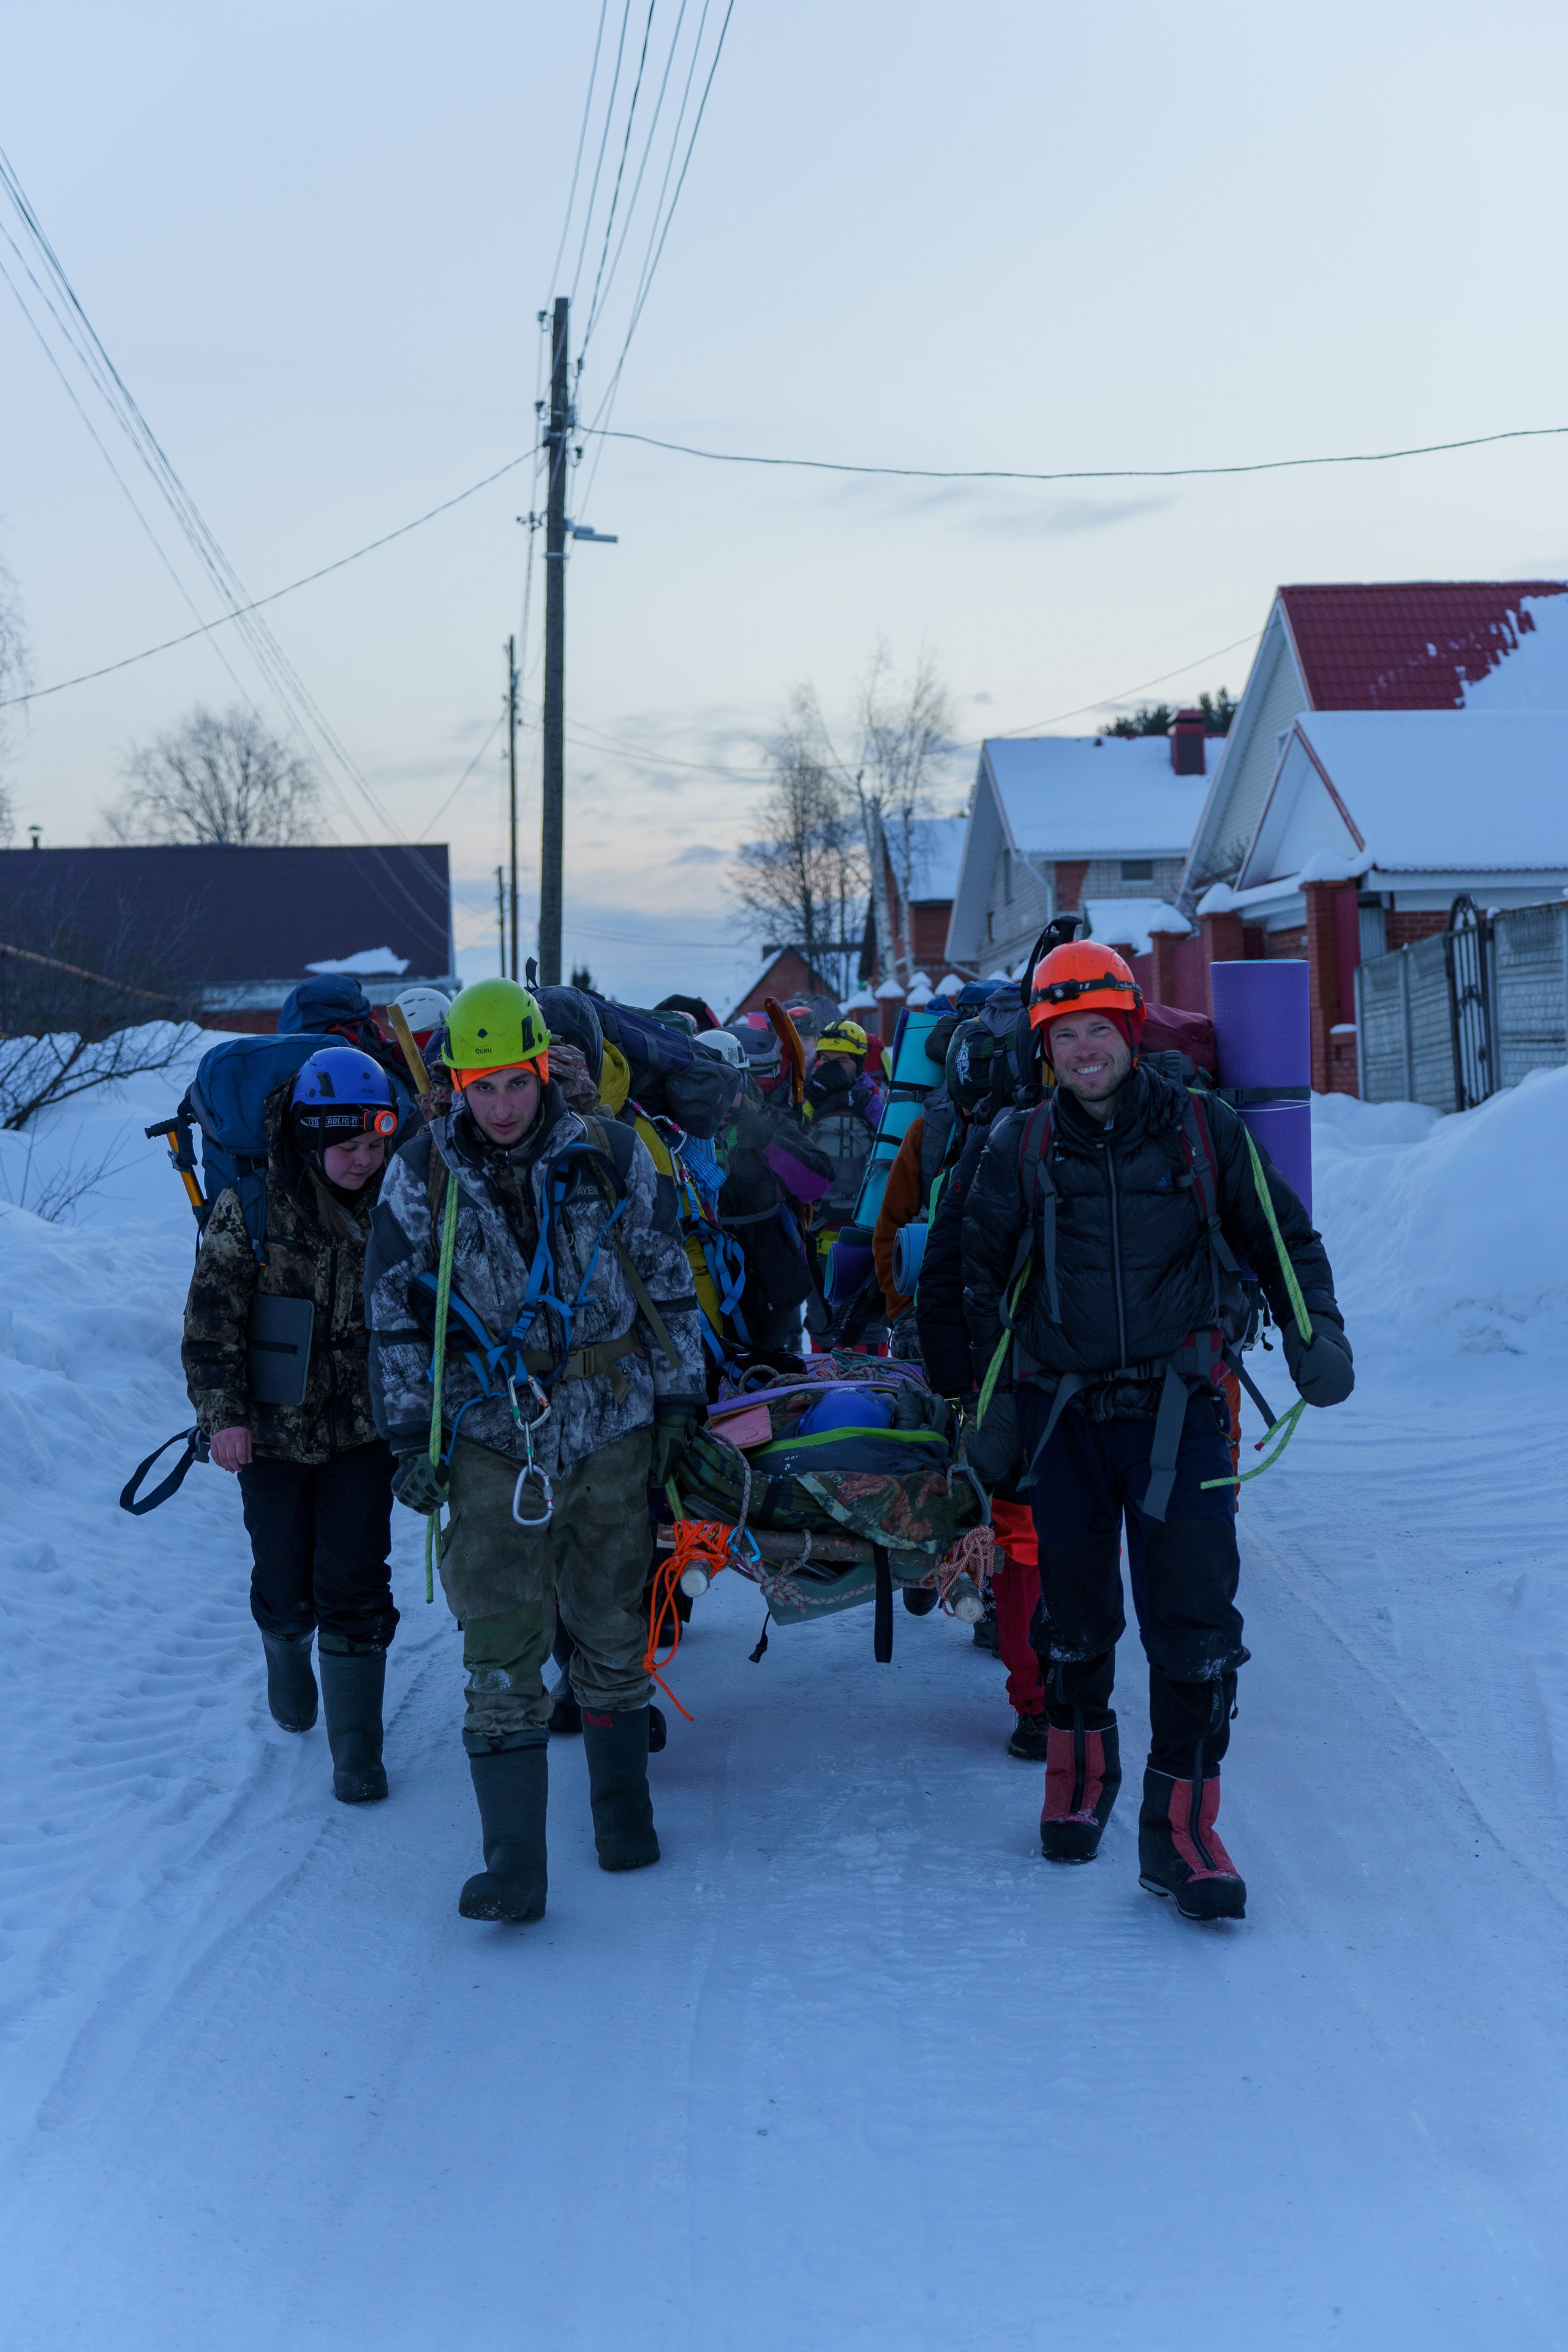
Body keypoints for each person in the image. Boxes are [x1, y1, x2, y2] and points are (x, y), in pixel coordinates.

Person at [960, 942, 1353, 1920]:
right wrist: (986, 1409)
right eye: (1065, 1034)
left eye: (1100, 1028)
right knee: (1076, 1624)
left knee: (1197, 1631)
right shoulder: (1019, 1146)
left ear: (1131, 1032)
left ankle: (1181, 1834)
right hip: (1064, 1424)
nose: (1085, 1050)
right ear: (1043, 1046)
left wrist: (1317, 1337)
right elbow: (975, 1287)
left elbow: (1281, 1236)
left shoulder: (1203, 1129)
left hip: (1182, 1416)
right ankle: (1079, 1789)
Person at [365, 978, 707, 1926]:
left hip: (609, 1423)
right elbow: (392, 1314)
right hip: (485, 1433)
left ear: (542, 1069)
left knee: (608, 1623)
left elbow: (670, 1279)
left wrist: (679, 1402)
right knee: (501, 1642)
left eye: (515, 1083)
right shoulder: (420, 1171)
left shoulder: (610, 1152)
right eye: (482, 1088)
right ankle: (514, 1864)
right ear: (457, 1085)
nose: (503, 1106)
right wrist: (407, 1435)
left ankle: (622, 1820)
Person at [181, 1046, 403, 1804]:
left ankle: (357, 1753)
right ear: (310, 1138)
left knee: (356, 1580)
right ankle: (284, 1647)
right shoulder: (248, 1210)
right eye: (348, 1147)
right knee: (284, 1578)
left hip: (365, 1435)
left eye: (376, 1144)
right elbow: (210, 1329)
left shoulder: (397, 1207)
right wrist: (224, 1418)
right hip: (272, 1438)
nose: (364, 1160)